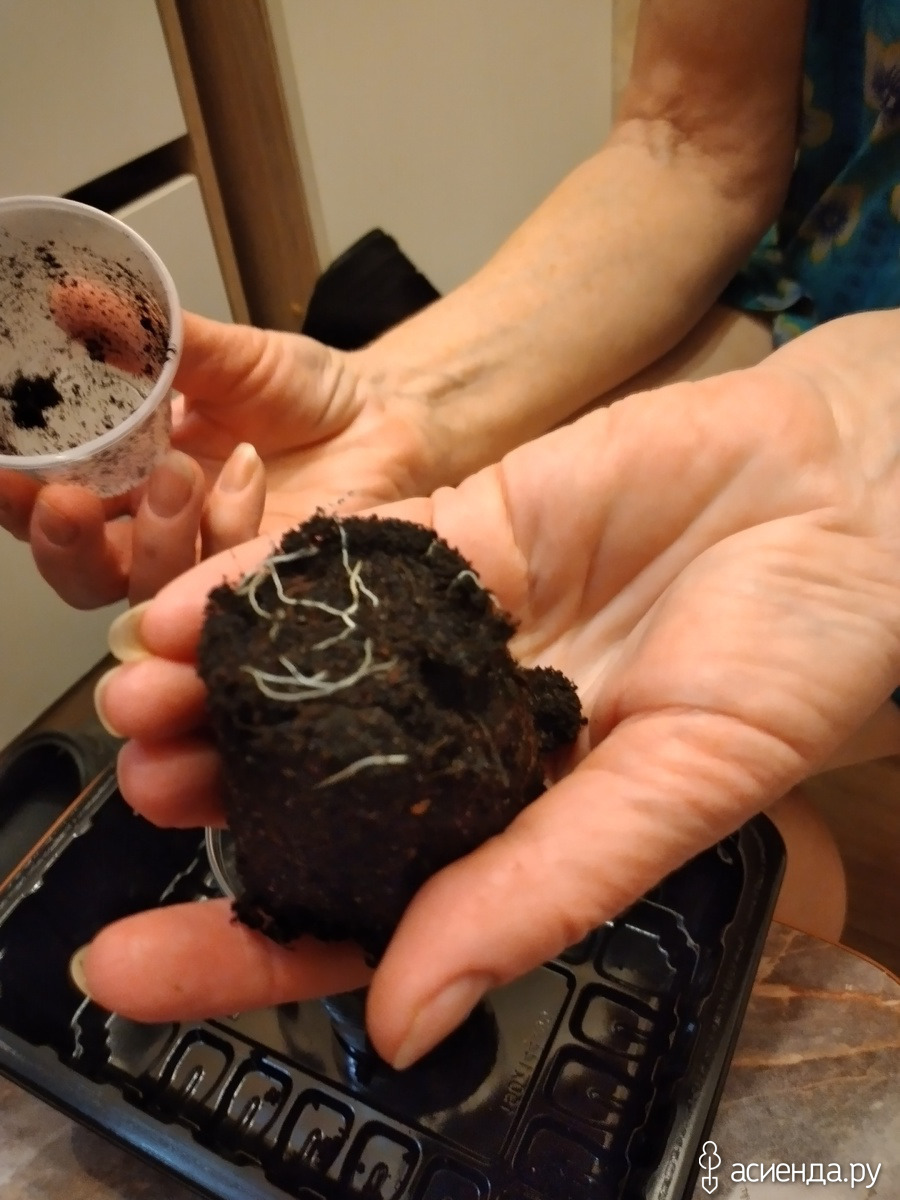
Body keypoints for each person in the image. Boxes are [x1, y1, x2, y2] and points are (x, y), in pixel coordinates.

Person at [3, 0, 899, 1062]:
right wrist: (396, 408)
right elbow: (689, 140)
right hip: (815, 338)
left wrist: (870, 452)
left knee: (774, 886)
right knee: (777, 868)